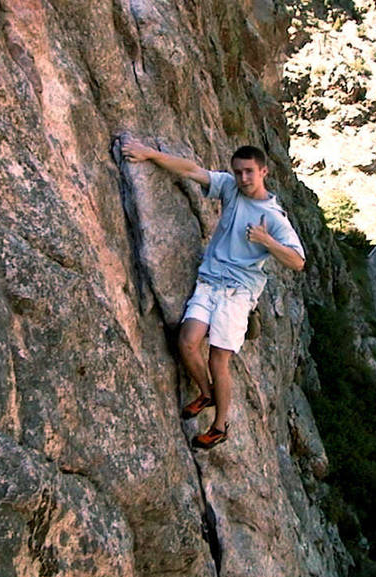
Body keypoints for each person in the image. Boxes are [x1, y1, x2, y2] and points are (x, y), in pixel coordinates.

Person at [121, 139, 305, 449]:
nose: (243, 178)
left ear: (264, 172)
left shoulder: (273, 217)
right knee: (187, 341)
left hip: (238, 292)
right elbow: (192, 171)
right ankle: (205, 393)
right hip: (209, 281)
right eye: (238, 172)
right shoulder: (231, 188)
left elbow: (298, 261)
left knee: (219, 359)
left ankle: (219, 426)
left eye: (249, 172)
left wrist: (266, 241)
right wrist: (150, 154)